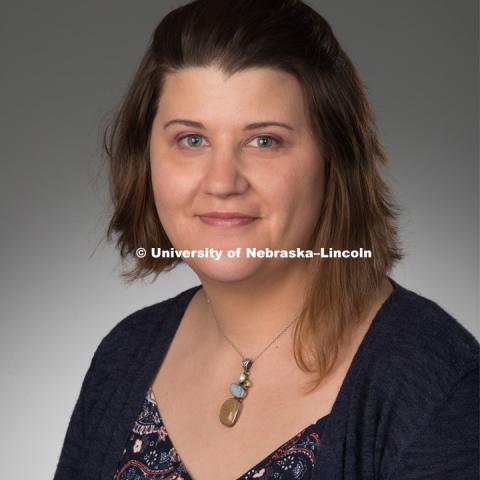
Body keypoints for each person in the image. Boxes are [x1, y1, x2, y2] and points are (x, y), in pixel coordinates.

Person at [53, 1, 479, 479]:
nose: (221, 182)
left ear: (334, 157)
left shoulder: (438, 386)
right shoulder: (123, 355)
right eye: (192, 139)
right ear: (145, 154)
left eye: (264, 141)